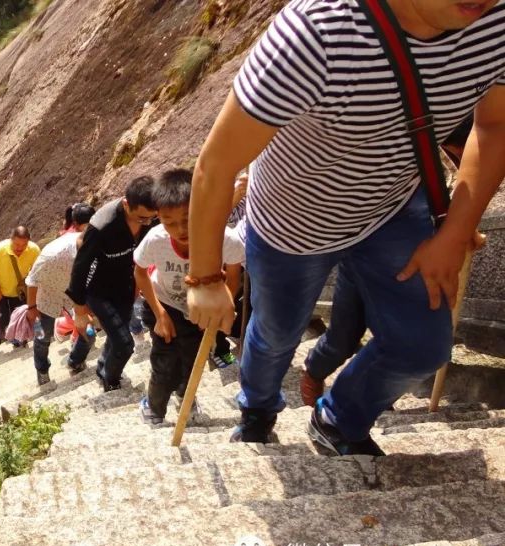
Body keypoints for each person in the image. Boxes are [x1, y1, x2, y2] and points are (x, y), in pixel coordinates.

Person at [186, 0, 504, 455]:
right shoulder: (315, 33)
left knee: (424, 347)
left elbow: (494, 126)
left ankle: (338, 418)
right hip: (291, 227)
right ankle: (257, 408)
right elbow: (216, 166)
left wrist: (455, 231)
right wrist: (205, 278)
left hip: (392, 208)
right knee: (276, 334)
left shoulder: (493, 19)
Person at [300, 116, 480, 407]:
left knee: (399, 334)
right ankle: (315, 371)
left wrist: (459, 228)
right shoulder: (390, 151)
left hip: (413, 263)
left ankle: (352, 405)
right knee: (344, 338)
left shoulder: (443, 162)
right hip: (363, 256)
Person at [133, 169, 244, 424]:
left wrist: (223, 304)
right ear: (157, 217)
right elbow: (140, 273)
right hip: (165, 304)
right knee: (165, 363)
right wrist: (160, 314)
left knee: (193, 360)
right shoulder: (155, 240)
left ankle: (186, 396)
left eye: (187, 218)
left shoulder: (223, 238)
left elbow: (234, 274)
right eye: (169, 222)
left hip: (201, 309)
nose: (180, 229)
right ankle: (154, 407)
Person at [67, 176, 158, 391]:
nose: (146, 223)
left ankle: (103, 367)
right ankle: (111, 380)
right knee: (125, 343)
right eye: (141, 218)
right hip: (98, 289)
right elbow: (80, 266)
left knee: (118, 336)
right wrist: (79, 309)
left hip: (126, 284)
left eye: (150, 219)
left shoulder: (151, 216)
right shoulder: (103, 225)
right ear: (126, 204)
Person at [25, 202, 96, 385]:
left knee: (89, 332)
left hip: (73, 295)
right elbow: (31, 281)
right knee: (42, 338)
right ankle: (42, 371)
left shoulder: (90, 245)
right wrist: (32, 308)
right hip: (46, 298)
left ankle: (75, 361)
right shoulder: (53, 254)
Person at [0, 226, 41, 346]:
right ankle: (8, 337)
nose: (19, 248)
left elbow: (38, 269)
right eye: (16, 244)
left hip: (19, 290)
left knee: (20, 315)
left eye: (23, 245)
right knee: (4, 318)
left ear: (28, 242)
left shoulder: (34, 249)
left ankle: (21, 337)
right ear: (11, 240)